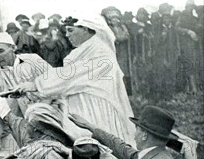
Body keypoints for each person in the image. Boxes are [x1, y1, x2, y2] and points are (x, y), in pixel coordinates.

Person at [21, 15, 136, 145]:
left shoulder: (101, 53)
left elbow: (70, 77)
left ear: (86, 29)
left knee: (101, 147)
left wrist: (36, 84)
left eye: (71, 30)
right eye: (66, 31)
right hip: (81, 108)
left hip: (98, 110)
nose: (67, 35)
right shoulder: (83, 51)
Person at [0, 32, 52, 118]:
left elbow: (55, 80)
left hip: (49, 112)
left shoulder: (33, 59)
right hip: (27, 118)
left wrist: (34, 86)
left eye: (0, 51)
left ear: (13, 48)